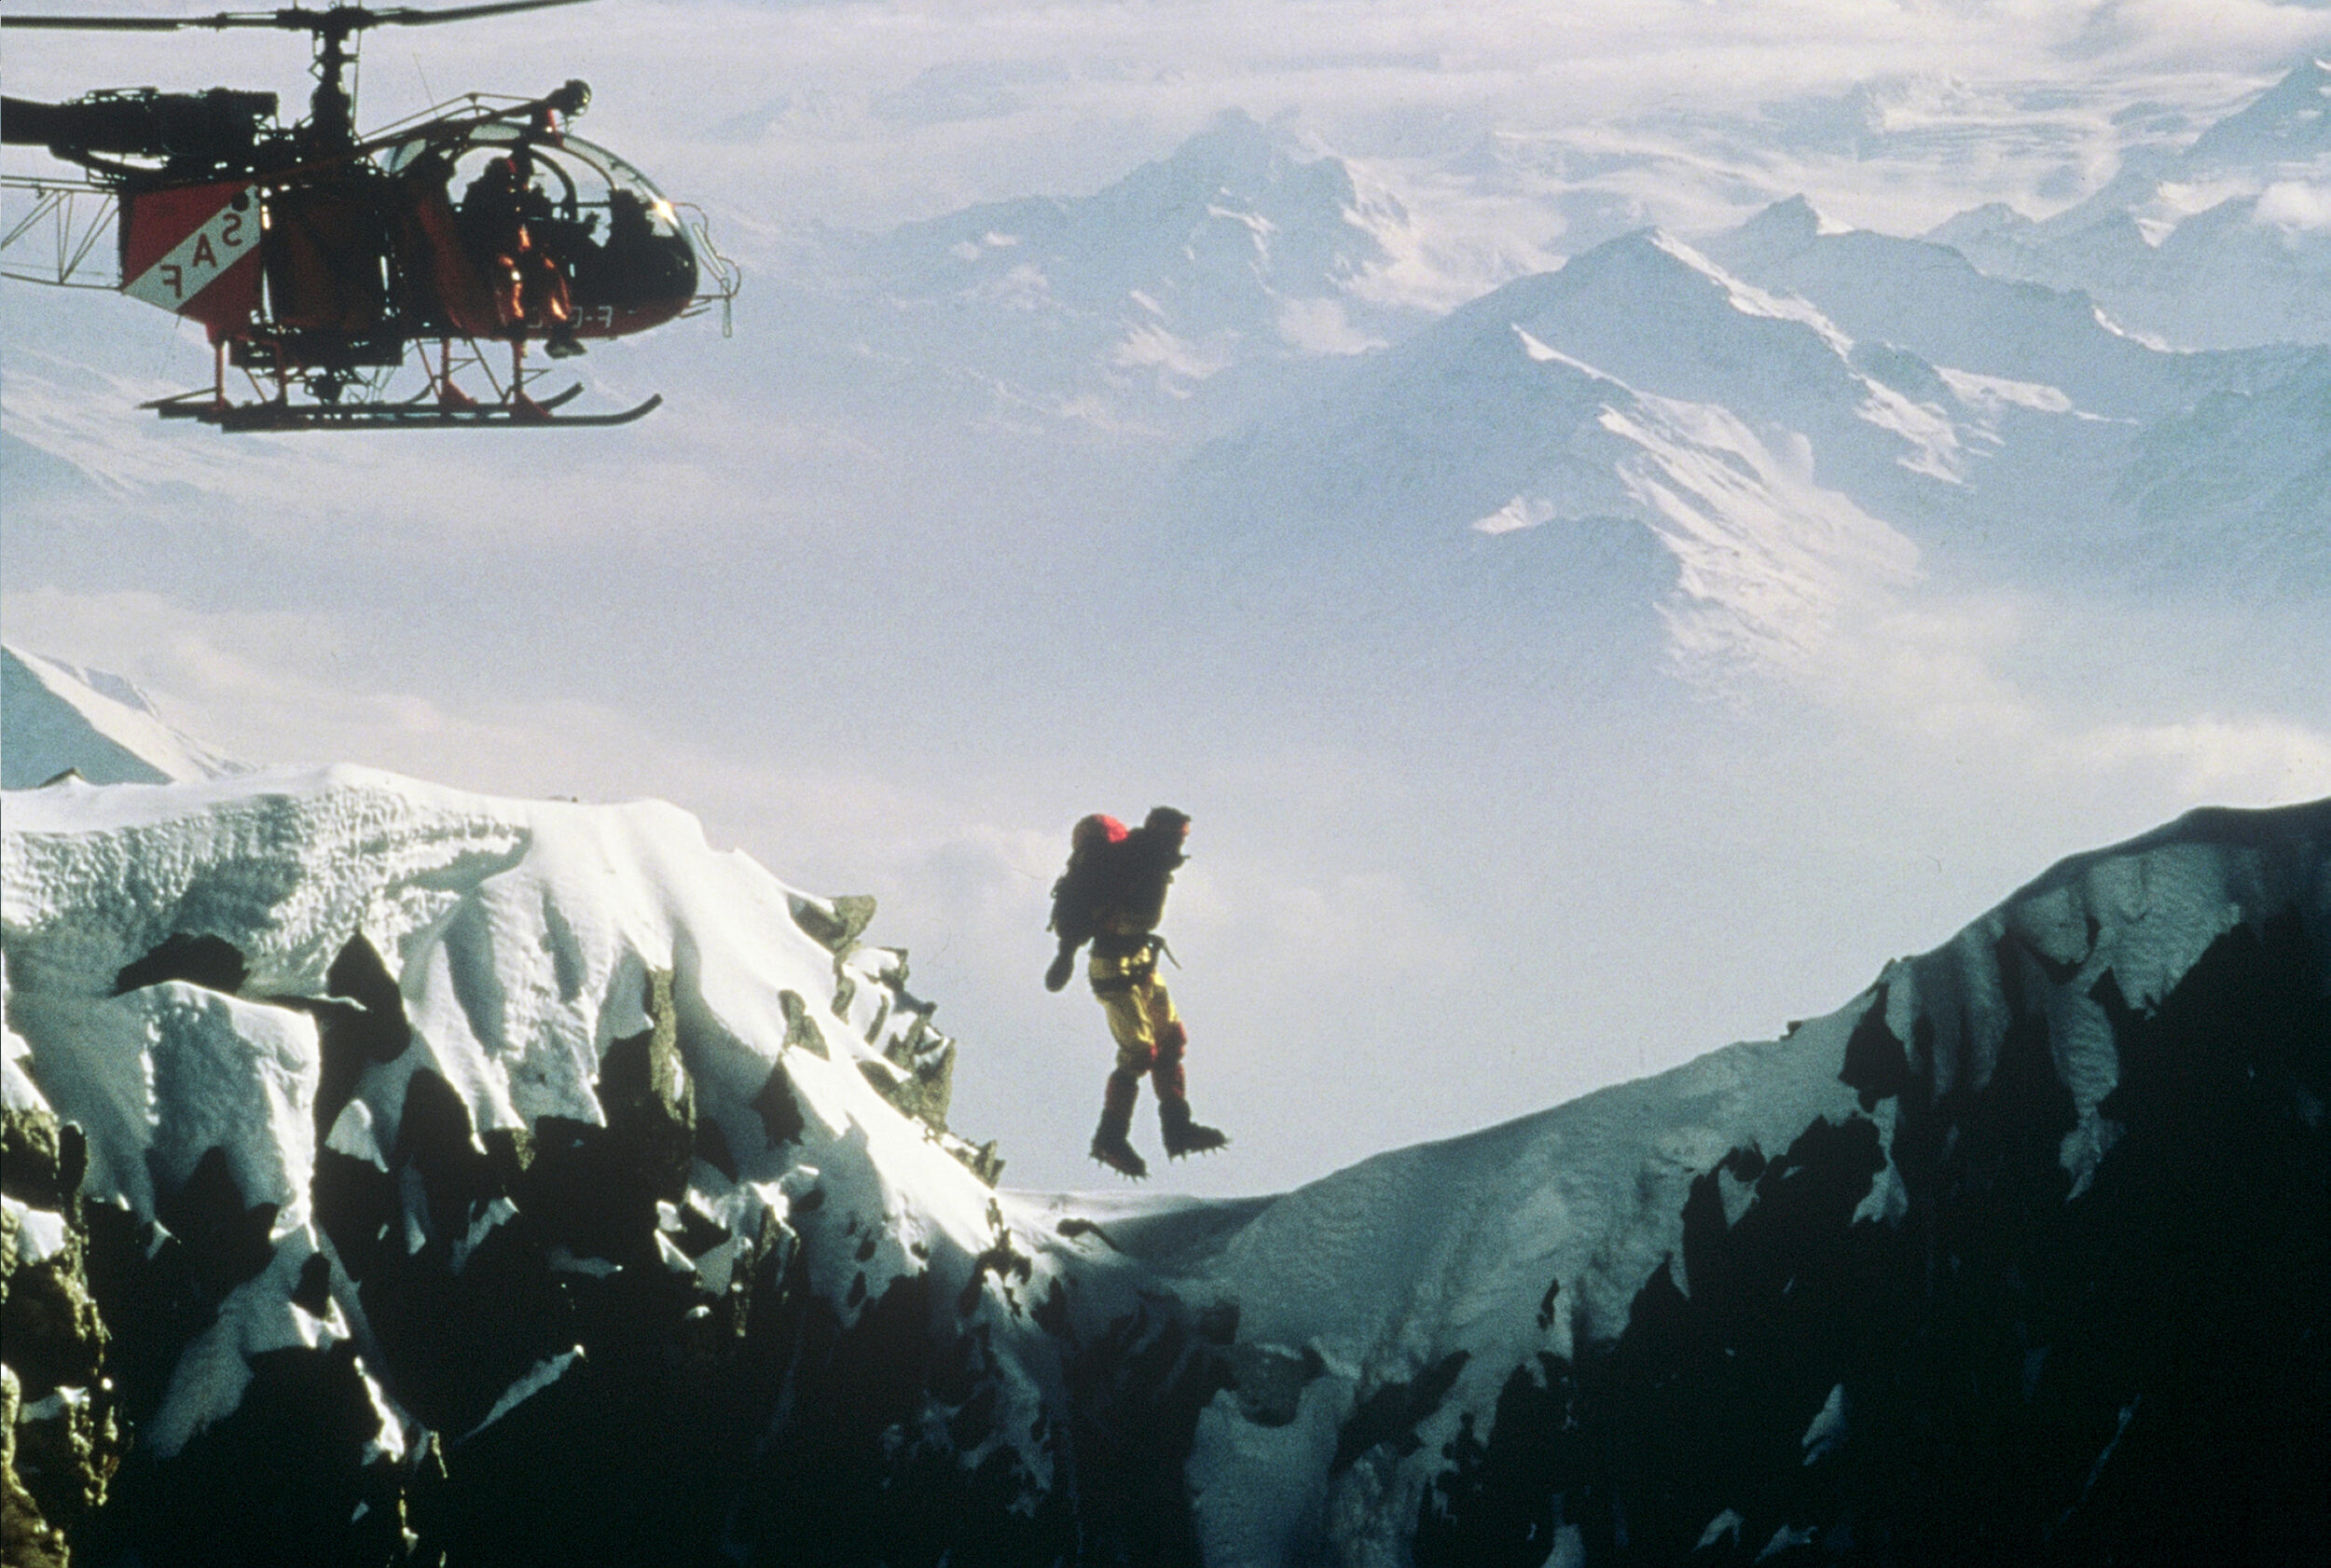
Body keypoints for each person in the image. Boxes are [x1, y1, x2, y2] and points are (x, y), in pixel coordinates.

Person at [1045, 806, 1227, 1178]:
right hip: (1114, 967)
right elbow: (1081, 908)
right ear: (1163, 834)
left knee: (1171, 1039)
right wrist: (1065, 955)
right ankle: (1109, 1139)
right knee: (1140, 1051)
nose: (1181, 844)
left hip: (1141, 960)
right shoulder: (1125, 863)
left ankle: (1177, 1130)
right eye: (1178, 836)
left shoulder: (1150, 862)